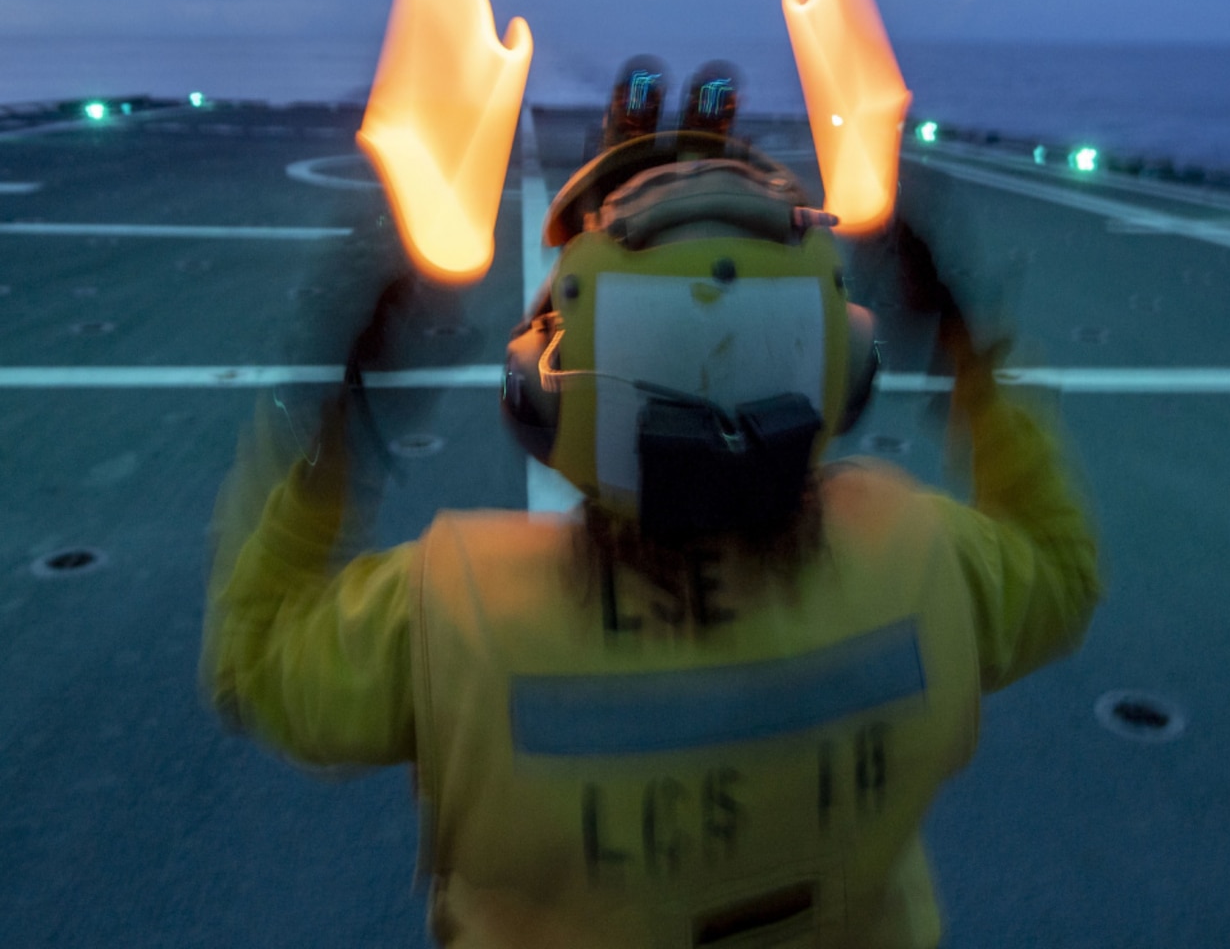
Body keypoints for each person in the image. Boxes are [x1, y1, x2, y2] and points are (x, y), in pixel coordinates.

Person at [202, 102, 1100, 949]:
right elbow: (1060, 566)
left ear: (543, 393)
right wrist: (965, 343)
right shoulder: (921, 558)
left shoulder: (457, 616)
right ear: (846, 363)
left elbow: (254, 656)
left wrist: (334, 412)